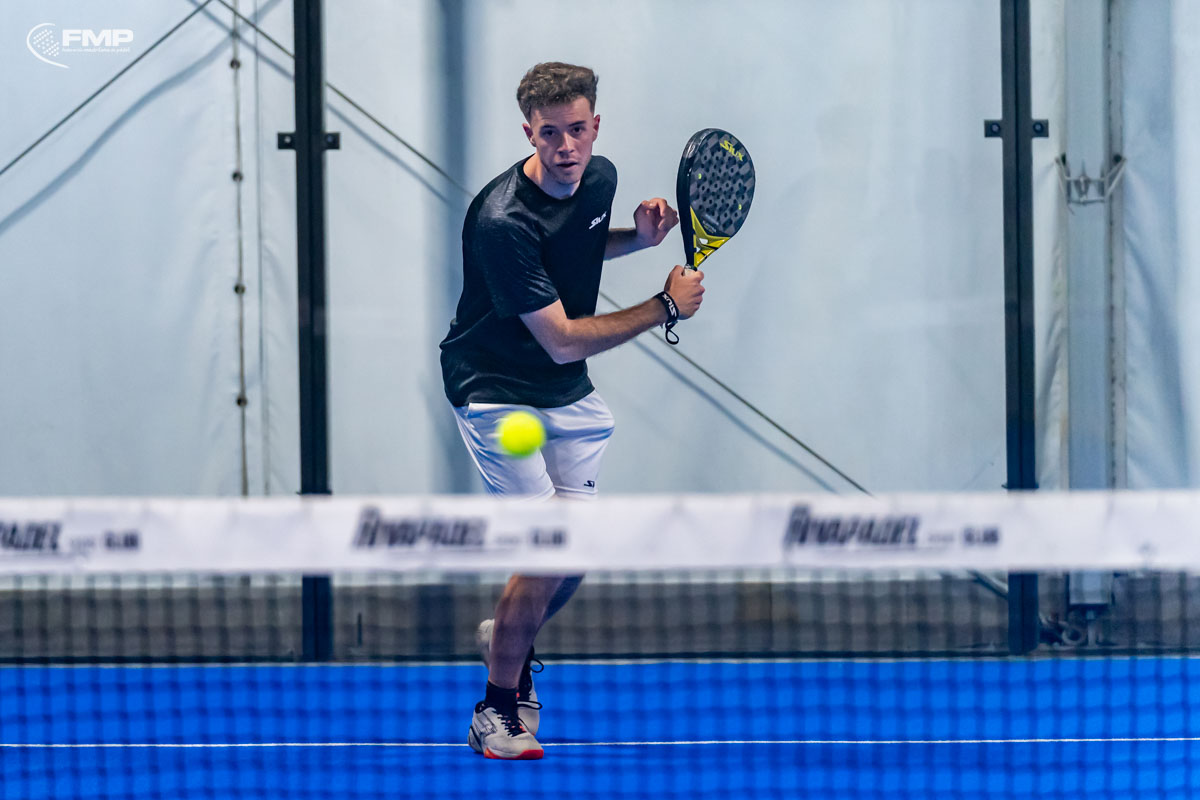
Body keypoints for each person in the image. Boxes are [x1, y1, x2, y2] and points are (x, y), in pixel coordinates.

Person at [439, 61, 705, 760]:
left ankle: (508, 633)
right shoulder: (502, 220)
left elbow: (575, 249)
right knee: (548, 545)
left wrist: (637, 241)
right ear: (528, 132)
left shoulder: (600, 179)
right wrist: (664, 305)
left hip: (563, 393)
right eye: (550, 133)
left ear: (595, 127)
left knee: (574, 551)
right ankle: (497, 708)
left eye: (577, 130)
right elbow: (559, 339)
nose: (566, 146)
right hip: (495, 389)